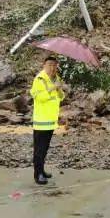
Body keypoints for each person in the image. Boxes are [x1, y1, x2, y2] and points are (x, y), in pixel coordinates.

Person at [30, 56, 67, 185]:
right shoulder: (40, 79)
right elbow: (37, 96)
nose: (52, 67)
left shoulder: (56, 78)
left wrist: (59, 89)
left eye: (54, 65)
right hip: (41, 120)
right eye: (49, 64)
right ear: (44, 65)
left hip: (51, 120)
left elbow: (61, 97)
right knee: (39, 149)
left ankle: (42, 170)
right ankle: (38, 174)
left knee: (45, 148)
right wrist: (52, 88)